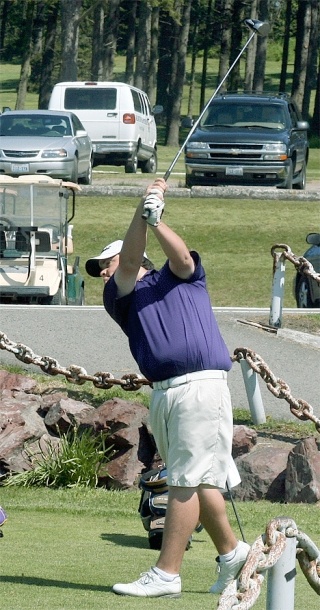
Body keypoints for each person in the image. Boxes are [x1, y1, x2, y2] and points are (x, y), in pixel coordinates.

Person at [85, 178, 250, 598]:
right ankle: (232, 553)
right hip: (165, 393)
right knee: (199, 479)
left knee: (185, 479)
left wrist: (156, 220)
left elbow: (178, 255)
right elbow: (128, 263)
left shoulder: (183, 278)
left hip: (200, 386)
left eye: (106, 261)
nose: (103, 270)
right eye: (100, 268)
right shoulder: (118, 296)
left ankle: (167, 574)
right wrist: (144, 208)